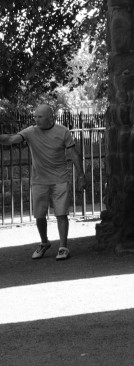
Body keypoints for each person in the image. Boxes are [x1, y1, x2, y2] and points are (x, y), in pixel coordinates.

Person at [1, 103, 86, 260]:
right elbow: (12, 139)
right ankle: (44, 242)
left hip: (60, 178)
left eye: (40, 117)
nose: (36, 119)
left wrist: (81, 175)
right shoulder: (30, 132)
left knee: (61, 214)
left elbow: (73, 153)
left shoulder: (63, 132)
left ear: (50, 117)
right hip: (39, 180)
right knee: (39, 216)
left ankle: (63, 246)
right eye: (35, 116)